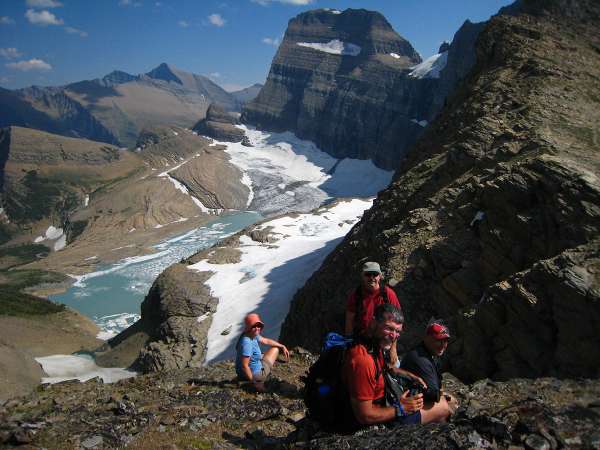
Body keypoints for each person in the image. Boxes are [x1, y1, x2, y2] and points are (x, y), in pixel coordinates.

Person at [343, 304, 453, 428]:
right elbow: (365, 415)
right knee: (444, 407)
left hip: (386, 404)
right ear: (373, 322)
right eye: (389, 328)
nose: (393, 335)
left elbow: (384, 367)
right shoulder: (363, 360)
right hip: (380, 419)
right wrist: (400, 409)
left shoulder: (372, 345)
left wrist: (410, 376)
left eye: (397, 331)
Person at [400, 320, 458, 413]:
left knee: (451, 400)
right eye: (438, 341)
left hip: (413, 399)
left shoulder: (428, 353)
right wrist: (444, 396)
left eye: (445, 341)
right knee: (448, 406)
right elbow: (434, 395)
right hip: (407, 405)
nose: (443, 345)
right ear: (427, 339)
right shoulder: (421, 359)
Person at [235, 312, 289, 391]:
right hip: (256, 374)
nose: (257, 328)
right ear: (249, 327)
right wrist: (255, 383)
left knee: (265, 353)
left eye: (259, 325)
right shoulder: (247, 343)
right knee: (275, 350)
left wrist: (282, 346)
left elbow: (265, 340)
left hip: (241, 373)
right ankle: (263, 374)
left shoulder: (250, 334)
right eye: (254, 326)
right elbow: (244, 366)